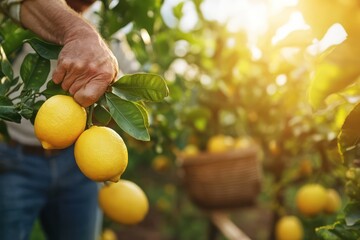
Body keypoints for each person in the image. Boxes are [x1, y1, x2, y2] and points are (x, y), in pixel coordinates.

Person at [0, 0, 120, 239]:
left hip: (78, 164)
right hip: (13, 159)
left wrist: (113, 85)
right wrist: (79, 33)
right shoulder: (41, 15)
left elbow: (131, 78)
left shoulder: (101, 24)